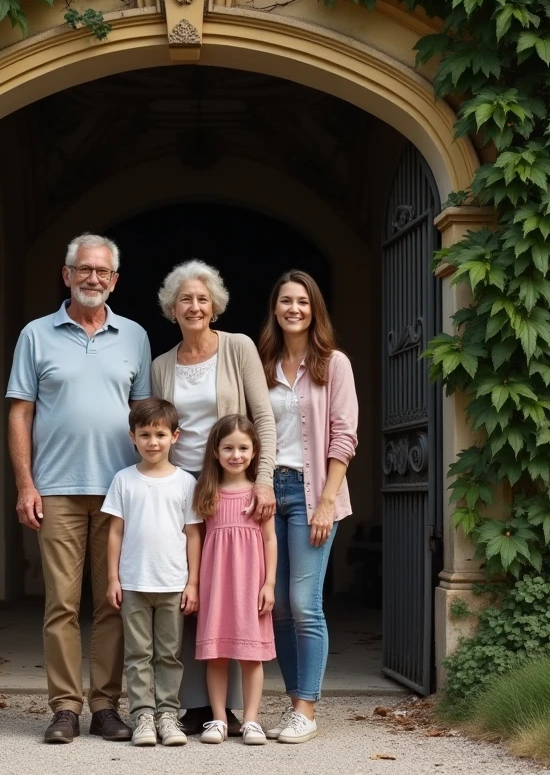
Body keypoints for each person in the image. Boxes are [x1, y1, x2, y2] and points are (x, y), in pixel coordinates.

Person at [6, 233, 152, 744]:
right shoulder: (36, 334)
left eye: (103, 272)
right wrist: (26, 484)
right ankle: (65, 708)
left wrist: (149, 489)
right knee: (61, 605)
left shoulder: (134, 335)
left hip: (118, 491)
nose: (93, 278)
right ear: (66, 274)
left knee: (113, 602)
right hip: (58, 489)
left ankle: (107, 706)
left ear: (115, 280)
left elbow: (145, 418)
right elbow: (20, 412)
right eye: (83, 269)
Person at [150, 259, 277, 735]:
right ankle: (191, 705)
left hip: (232, 485)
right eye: (186, 299)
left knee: (235, 590)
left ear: (215, 306)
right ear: (172, 308)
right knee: (186, 590)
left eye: (203, 299)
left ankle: (238, 713)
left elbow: (262, 419)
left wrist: (262, 479)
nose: (195, 306)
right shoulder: (162, 364)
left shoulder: (238, 348)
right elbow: (157, 427)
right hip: (181, 488)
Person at [256, 270, 358, 744]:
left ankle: (308, 709)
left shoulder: (334, 364)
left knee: (303, 604)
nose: (293, 309)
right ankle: (294, 702)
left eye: (302, 301)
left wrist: (326, 502)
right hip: (269, 494)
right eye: (285, 301)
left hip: (313, 494)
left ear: (314, 309)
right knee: (274, 607)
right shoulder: (264, 362)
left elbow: (344, 437)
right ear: (274, 309)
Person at [103, 398, 202, 747]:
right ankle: (143, 714)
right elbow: (115, 531)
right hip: (133, 582)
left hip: (173, 584)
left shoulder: (186, 483)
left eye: (160, 434)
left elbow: (193, 534)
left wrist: (193, 582)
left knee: (169, 653)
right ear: (132, 437)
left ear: (175, 436)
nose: (152, 442)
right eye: (144, 434)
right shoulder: (123, 480)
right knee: (138, 653)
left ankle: (168, 715)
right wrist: (114, 578)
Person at [192, 414, 277, 745]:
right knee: (216, 654)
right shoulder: (207, 492)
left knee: (250, 654)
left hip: (250, 586)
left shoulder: (260, 494)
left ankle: (252, 720)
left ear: (254, 451)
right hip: (217, 585)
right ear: (216, 451)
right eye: (228, 447)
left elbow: (270, 539)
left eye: (243, 448)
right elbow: (196, 539)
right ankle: (217, 719)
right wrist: (196, 584)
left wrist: (269, 583)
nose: (236, 455)